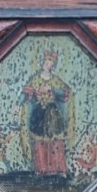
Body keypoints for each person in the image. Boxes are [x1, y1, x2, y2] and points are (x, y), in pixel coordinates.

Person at [20, 47, 74, 176]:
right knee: (39, 141)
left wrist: (53, 89)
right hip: (39, 113)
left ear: (53, 65)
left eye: (50, 63)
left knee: (56, 140)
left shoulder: (55, 80)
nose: (48, 64)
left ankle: (58, 169)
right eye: (46, 62)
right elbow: (25, 94)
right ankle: (42, 169)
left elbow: (66, 94)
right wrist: (19, 105)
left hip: (53, 113)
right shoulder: (35, 80)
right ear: (42, 63)